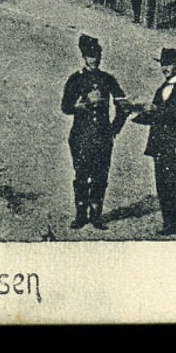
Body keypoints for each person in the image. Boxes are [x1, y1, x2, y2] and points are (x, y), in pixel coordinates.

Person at [130, 47, 176, 239]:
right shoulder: (160, 90)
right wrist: (134, 113)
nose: (165, 68)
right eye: (163, 64)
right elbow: (154, 117)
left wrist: (155, 109)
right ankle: (170, 223)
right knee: (162, 186)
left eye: (169, 64)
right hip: (160, 146)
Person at [60, 34, 127, 230]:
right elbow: (65, 107)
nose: (94, 59)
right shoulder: (75, 79)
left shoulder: (108, 79)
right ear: (84, 57)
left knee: (100, 175)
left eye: (97, 55)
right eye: (90, 56)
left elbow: (123, 104)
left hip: (102, 136)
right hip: (81, 136)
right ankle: (81, 215)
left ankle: (96, 215)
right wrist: (81, 105)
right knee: (81, 174)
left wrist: (115, 128)